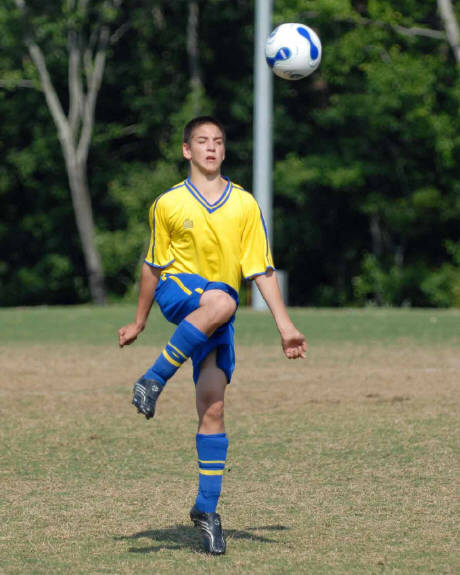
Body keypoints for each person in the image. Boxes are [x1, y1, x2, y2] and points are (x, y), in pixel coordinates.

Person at [118, 116, 306, 555]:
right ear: (187, 150)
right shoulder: (168, 203)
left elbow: (260, 268)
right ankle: (153, 379)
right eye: (202, 141)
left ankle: (206, 510)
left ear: (224, 150)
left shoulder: (244, 204)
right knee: (223, 299)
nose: (210, 147)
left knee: (213, 407)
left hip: (216, 316)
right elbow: (152, 266)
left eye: (218, 141)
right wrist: (140, 321)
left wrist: (286, 327)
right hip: (179, 292)